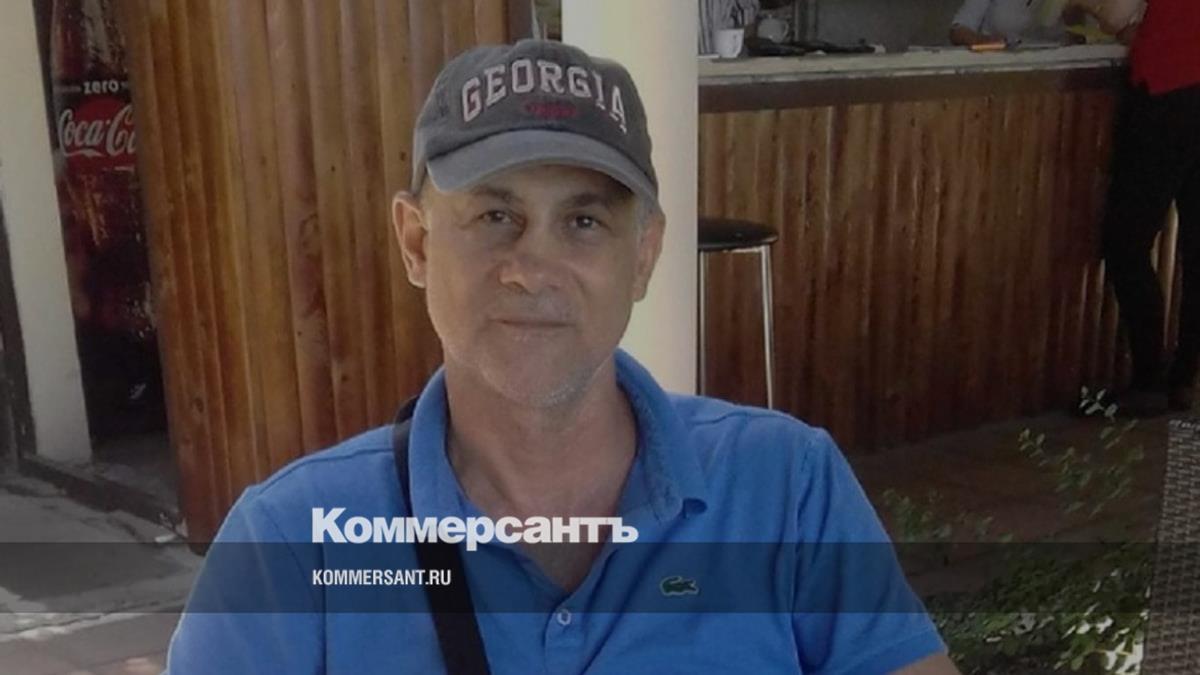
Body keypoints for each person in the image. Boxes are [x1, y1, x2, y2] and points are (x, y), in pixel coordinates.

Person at [164, 39, 958, 674]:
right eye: (494, 216)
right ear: (416, 242)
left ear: (643, 256)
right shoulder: (287, 546)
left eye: (583, 222)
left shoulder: (786, 488)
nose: (532, 270)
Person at [1097, 0, 1200, 415]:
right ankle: (1183, 378)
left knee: (1125, 242)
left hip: (1167, 93)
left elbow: (1115, 14)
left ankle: (1148, 379)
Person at [949, 0, 1086, 46]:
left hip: (1056, 78)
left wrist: (1075, 15)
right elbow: (958, 29)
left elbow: (1082, 39)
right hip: (998, 71)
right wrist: (982, 41)